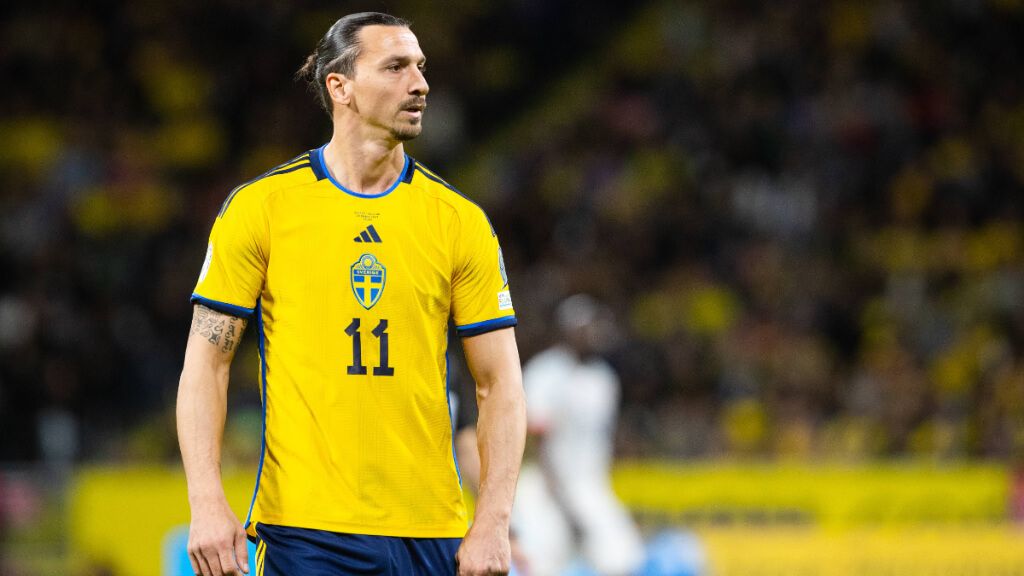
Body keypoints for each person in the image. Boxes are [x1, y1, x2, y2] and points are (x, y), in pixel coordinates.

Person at [176, 12, 526, 576]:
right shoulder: (262, 209)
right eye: (395, 67)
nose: (420, 83)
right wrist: (206, 501)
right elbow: (206, 365)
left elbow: (500, 384)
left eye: (421, 67)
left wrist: (494, 519)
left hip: (430, 529)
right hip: (305, 529)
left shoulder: (459, 222)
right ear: (340, 87)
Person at [514, 294, 644, 576]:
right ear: (567, 329)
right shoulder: (545, 372)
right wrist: (560, 494)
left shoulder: (603, 377)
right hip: (547, 488)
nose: (590, 334)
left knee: (623, 560)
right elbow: (535, 439)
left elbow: (604, 437)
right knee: (540, 566)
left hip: (590, 484)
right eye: (583, 328)